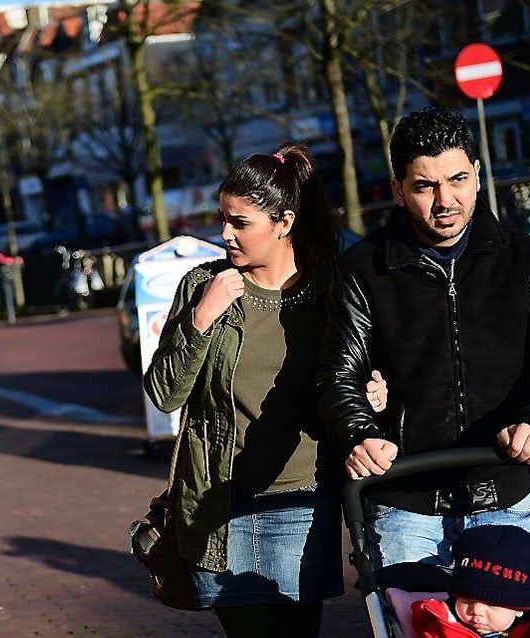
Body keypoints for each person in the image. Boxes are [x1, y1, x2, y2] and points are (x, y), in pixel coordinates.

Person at [144, 143, 383, 636]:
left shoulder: (328, 290)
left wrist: (370, 394)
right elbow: (164, 394)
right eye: (223, 219)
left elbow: (353, 377)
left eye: (240, 223)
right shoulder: (202, 286)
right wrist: (203, 318)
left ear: (284, 222)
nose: (225, 234)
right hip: (220, 506)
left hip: (302, 500)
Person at [317, 106, 530, 568]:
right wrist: (359, 433)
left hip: (503, 494)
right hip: (404, 503)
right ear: (397, 190)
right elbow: (339, 373)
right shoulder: (362, 271)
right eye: (424, 186)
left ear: (476, 174)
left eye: (456, 180)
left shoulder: (522, 257)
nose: (444, 200)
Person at [410, 525, 530, 638]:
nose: (477, 611)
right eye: (467, 599)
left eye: (492, 604)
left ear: (519, 609)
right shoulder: (439, 626)